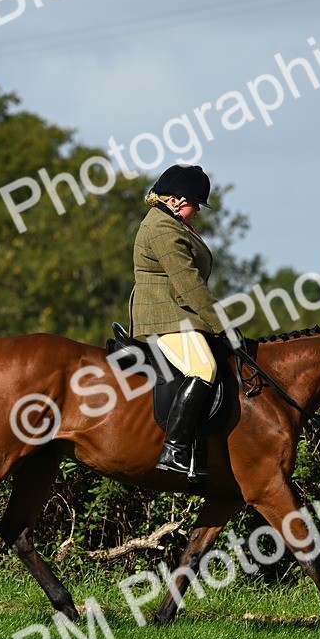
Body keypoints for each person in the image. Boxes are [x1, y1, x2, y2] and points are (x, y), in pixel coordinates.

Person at [130, 164, 229, 479]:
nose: (197, 211)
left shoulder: (173, 224)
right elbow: (188, 284)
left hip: (179, 314)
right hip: (164, 316)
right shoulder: (162, 228)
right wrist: (222, 324)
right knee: (203, 369)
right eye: (194, 204)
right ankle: (173, 451)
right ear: (175, 200)